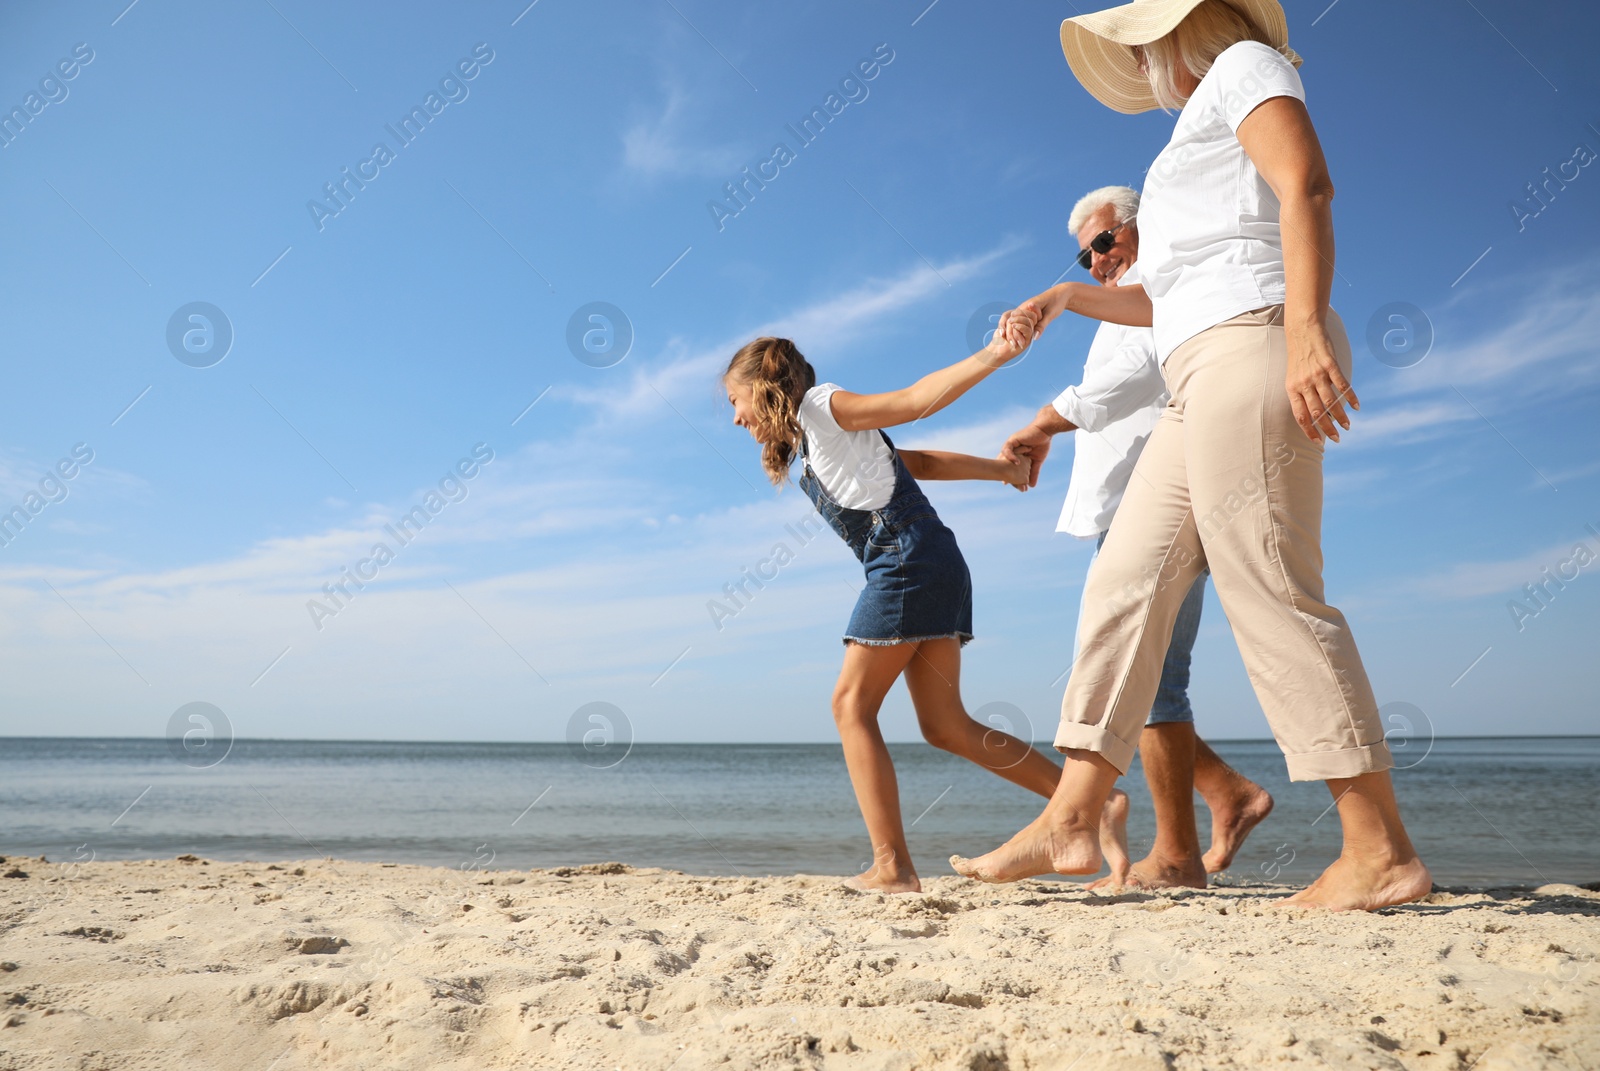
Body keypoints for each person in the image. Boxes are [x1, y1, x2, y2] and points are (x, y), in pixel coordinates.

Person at [953, 0, 1431, 911]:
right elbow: (1166, 299)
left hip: (1250, 341)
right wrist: (1067, 294)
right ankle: (1073, 814)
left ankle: (1380, 850)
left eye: (1140, 51)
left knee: (1270, 586)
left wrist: (1302, 331)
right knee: (1123, 580)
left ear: (1180, 31)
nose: (1138, 74)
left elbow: (1308, 185)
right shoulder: (1185, 137)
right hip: (1193, 367)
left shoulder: (1245, 68)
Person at [722, 319, 1130, 894]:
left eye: (736, 401)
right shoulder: (820, 443)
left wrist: (993, 355)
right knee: (944, 725)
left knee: (850, 706)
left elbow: (913, 403)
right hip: (931, 558)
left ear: (761, 388)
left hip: (907, 561)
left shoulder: (821, 406)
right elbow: (920, 464)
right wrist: (1003, 471)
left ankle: (892, 868)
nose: (736, 417)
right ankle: (1093, 802)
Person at [1001, 183, 1274, 890]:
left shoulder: (1162, 286)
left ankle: (1176, 855)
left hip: (1160, 506)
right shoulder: (1126, 298)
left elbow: (1121, 386)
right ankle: (1226, 798)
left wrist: (1038, 422)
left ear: (1138, 227)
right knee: (1146, 681)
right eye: (1084, 254)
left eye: (1103, 243)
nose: (1094, 262)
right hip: (1130, 510)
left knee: (1152, 684)